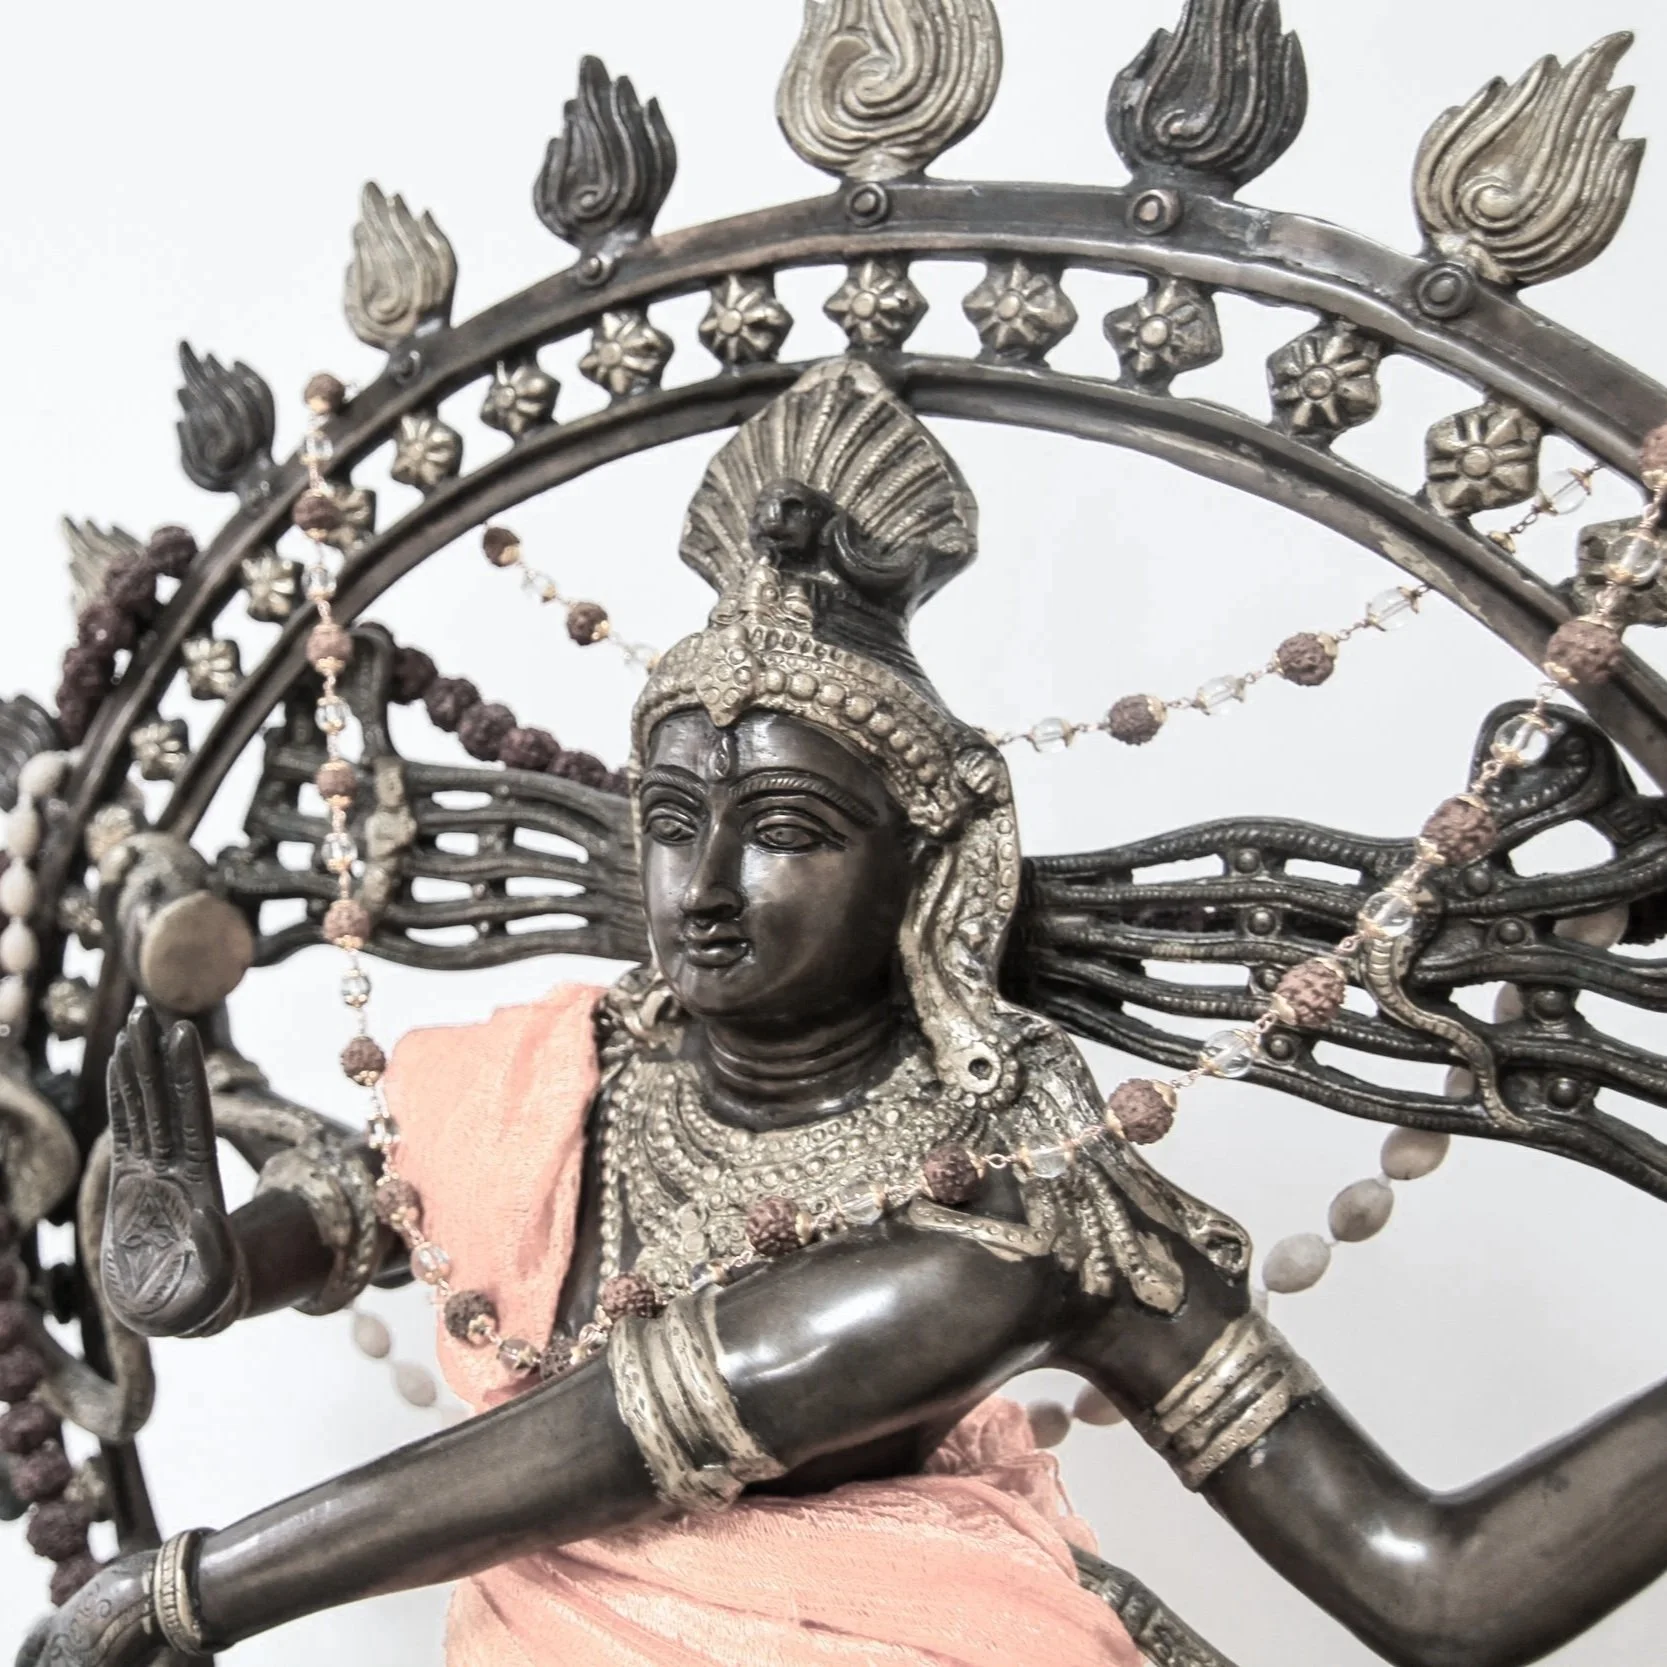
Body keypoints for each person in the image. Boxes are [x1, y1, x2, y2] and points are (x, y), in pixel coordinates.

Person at [30, 361, 1667, 1667]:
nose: (708, 887)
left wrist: (194, 1593)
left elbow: (1436, 1588)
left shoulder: (1033, 1207)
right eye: (674, 819)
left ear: (935, 868)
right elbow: (378, 1207)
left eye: (790, 832)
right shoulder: (545, 1087)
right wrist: (212, 1270)